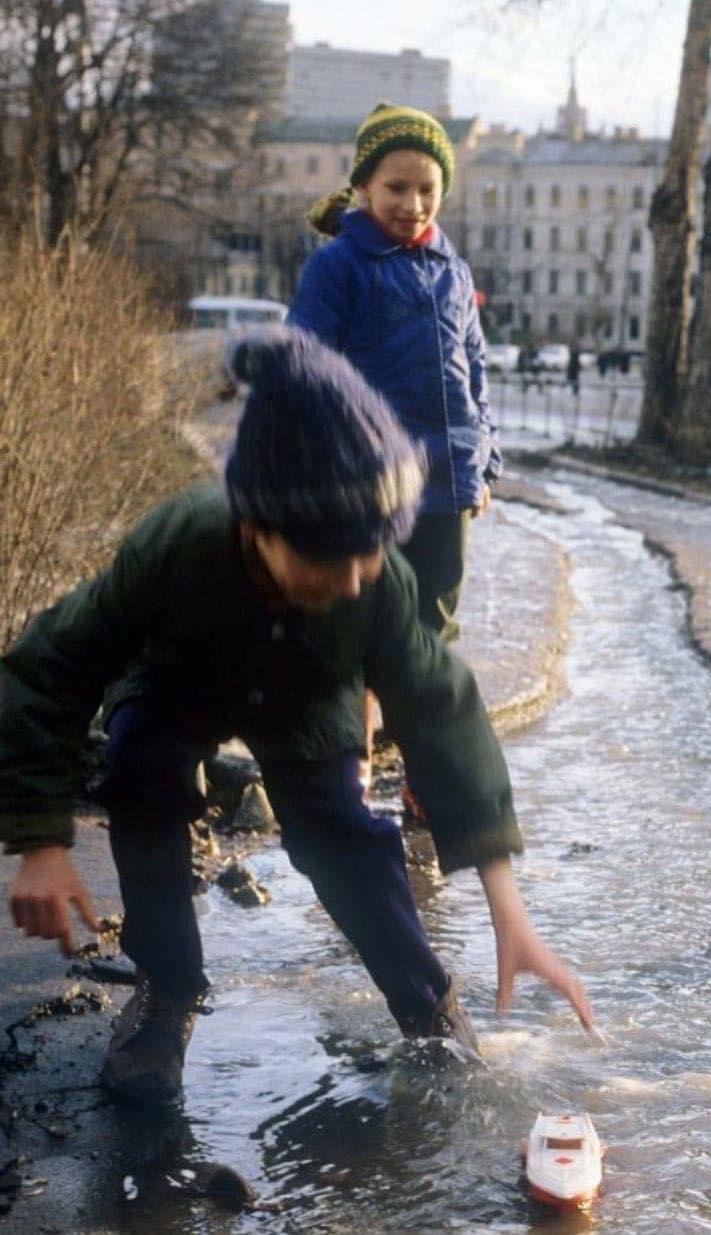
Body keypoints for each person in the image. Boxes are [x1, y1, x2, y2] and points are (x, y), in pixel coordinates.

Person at [0, 328, 593, 1106]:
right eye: (327, 557)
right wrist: (40, 841)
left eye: (370, 553)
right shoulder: (181, 544)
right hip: (179, 677)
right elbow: (48, 667)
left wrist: (508, 909)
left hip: (310, 691)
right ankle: (167, 990)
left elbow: (443, 709)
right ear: (258, 524)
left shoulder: (372, 587)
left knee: (338, 832)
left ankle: (429, 1008)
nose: (352, 579)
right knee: (140, 768)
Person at [288, 104, 497, 791]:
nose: (412, 205)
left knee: (430, 627)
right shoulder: (339, 266)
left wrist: (484, 459)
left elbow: (475, 369)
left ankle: (422, 773)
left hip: (447, 484)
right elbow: (305, 370)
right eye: (396, 188)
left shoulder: (452, 271)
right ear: (363, 189)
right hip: (369, 485)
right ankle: (349, 761)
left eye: (426, 190)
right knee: (359, 622)